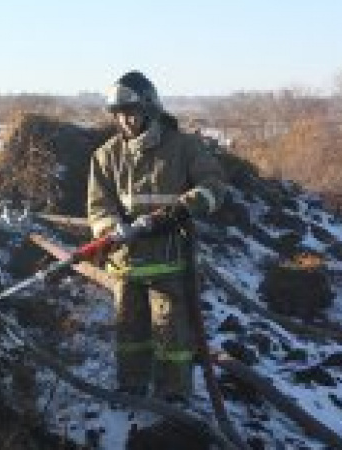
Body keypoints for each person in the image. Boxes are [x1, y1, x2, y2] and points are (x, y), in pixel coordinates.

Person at [87, 71, 226, 402]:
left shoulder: (183, 147)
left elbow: (214, 185)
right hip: (126, 264)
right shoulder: (106, 156)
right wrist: (110, 229)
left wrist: (182, 209)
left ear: (150, 108)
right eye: (118, 113)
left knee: (171, 335)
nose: (125, 120)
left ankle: (173, 394)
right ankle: (131, 387)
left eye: (131, 112)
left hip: (170, 263)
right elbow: (98, 205)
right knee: (129, 333)